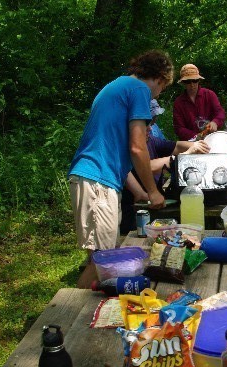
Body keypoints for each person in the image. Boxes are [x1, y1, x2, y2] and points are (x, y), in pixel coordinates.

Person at [68, 49, 173, 288]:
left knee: (101, 257)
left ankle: (87, 315)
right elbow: (138, 149)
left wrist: (138, 192)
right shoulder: (139, 90)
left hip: (98, 179)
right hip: (98, 181)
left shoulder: (119, 85)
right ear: (159, 78)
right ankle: (68, 315)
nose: (158, 94)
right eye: (163, 88)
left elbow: (117, 150)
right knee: (104, 264)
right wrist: (153, 191)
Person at [120, 100, 210, 233]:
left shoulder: (151, 140)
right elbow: (145, 167)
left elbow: (176, 145)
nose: (151, 127)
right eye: (147, 124)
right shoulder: (129, 146)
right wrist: (178, 158)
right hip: (134, 208)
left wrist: (198, 145)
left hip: (153, 201)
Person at [172, 63, 226, 140]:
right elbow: (179, 128)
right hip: (191, 143)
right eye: (188, 81)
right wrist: (197, 136)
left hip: (212, 138)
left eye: (195, 80)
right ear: (183, 82)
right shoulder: (179, 102)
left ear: (198, 80)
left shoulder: (210, 94)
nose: (192, 84)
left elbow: (220, 112)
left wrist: (215, 122)